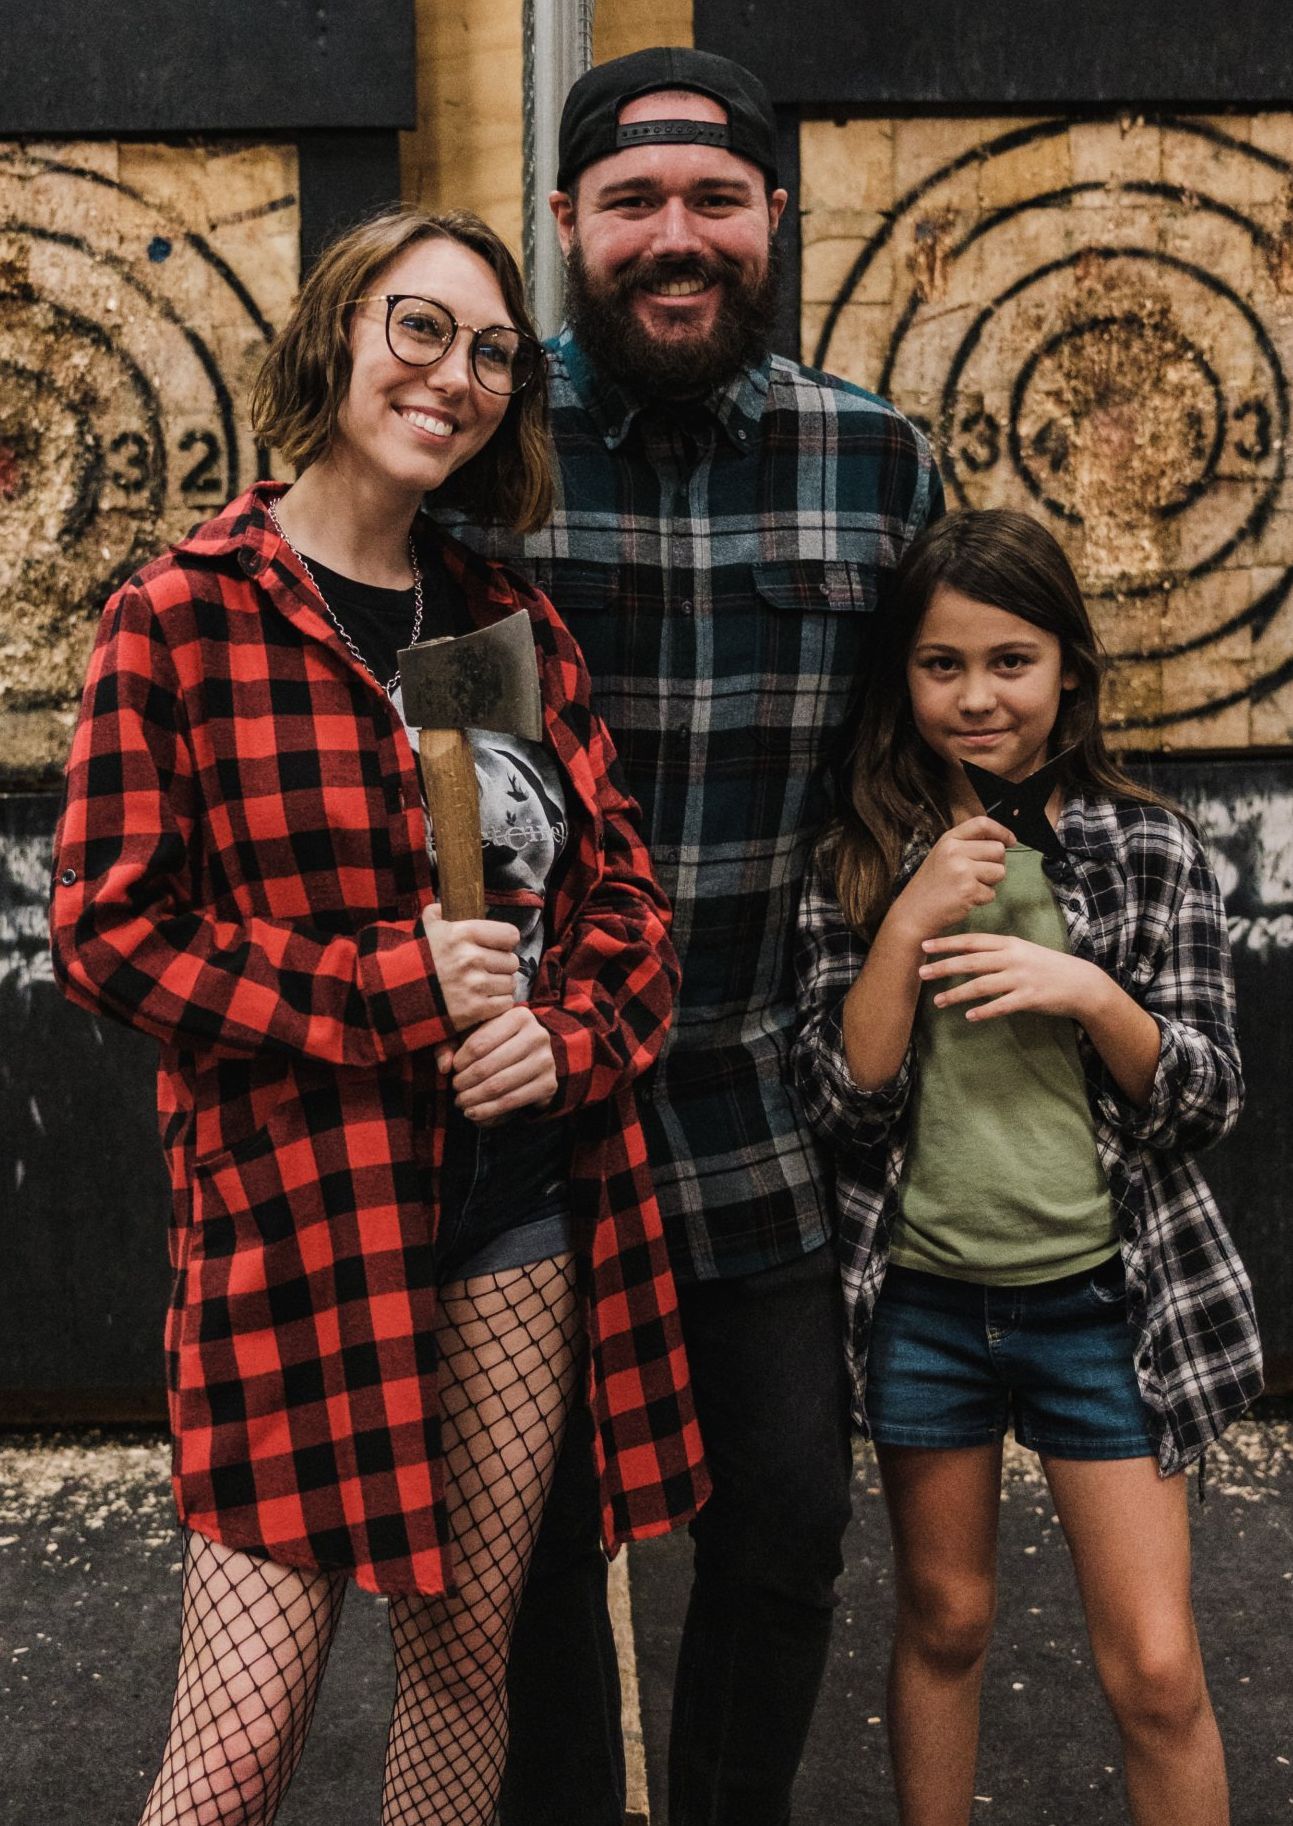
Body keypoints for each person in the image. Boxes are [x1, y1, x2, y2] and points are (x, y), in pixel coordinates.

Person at [48, 204, 707, 1826]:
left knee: (463, 1663)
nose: (456, 374)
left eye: (493, 352)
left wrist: (562, 1035)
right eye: (419, 327)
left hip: (512, 1217)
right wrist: (383, 989)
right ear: (336, 335)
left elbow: (619, 904)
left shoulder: (497, 626)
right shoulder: (185, 614)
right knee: (239, 1740)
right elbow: (107, 934)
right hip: (296, 1225)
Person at [440, 45, 944, 1826]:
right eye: (636, 202)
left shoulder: (873, 461)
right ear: (566, 220)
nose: (678, 237)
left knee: (790, 1517)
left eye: (714, 200)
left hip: (756, 1097)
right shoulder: (467, 455)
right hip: (520, 1104)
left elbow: (922, 759)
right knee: (530, 1543)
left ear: (771, 220)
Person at [792, 507, 1262, 1826]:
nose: (976, 694)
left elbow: (1202, 1098)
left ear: (1068, 669)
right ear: (902, 677)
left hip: (1103, 1307)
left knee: (1158, 1667)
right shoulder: (858, 848)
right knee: (943, 1617)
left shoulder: (1147, 846)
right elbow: (841, 1096)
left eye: (1010, 659)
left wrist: (1087, 993)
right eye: (941, 664)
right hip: (924, 1305)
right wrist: (904, 921)